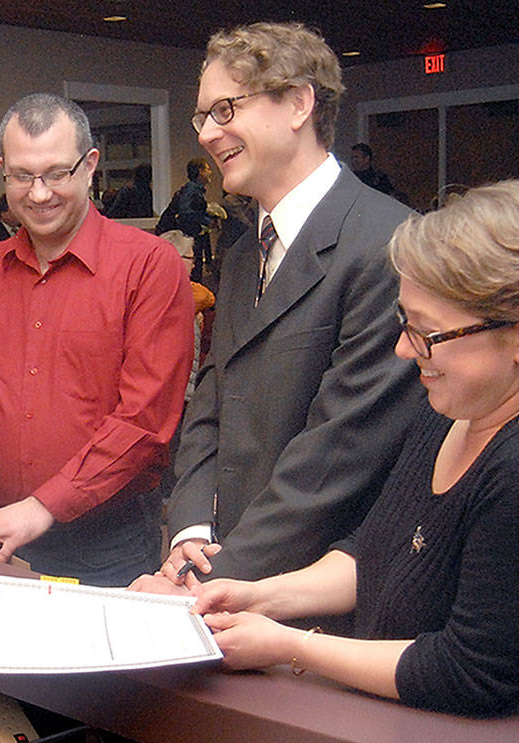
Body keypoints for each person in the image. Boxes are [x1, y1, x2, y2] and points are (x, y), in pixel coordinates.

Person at [141, 181, 519, 716]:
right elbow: (372, 553)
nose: (403, 349)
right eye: (404, 323)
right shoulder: (450, 413)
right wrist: (257, 596)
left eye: (428, 333)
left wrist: (292, 646)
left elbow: (472, 672)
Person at [0, 93, 194, 586]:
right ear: (4, 172)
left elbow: (144, 419)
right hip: (2, 531)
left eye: (56, 174)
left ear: (90, 166)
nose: (39, 193)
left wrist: (46, 504)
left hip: (106, 540)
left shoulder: (148, 265)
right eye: (23, 176)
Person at [165, 23, 424, 591]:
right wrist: (188, 534)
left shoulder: (388, 243)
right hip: (225, 571)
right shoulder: (239, 256)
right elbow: (211, 400)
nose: (208, 134)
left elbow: (342, 450)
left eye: (225, 109)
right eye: (202, 116)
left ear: (299, 103)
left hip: (326, 594)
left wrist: (215, 575)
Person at [157, 157, 216, 280]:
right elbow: (187, 213)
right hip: (187, 237)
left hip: (188, 235)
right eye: (208, 169)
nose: (210, 172)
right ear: (200, 172)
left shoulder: (193, 190)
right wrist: (206, 221)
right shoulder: (192, 190)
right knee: (193, 273)